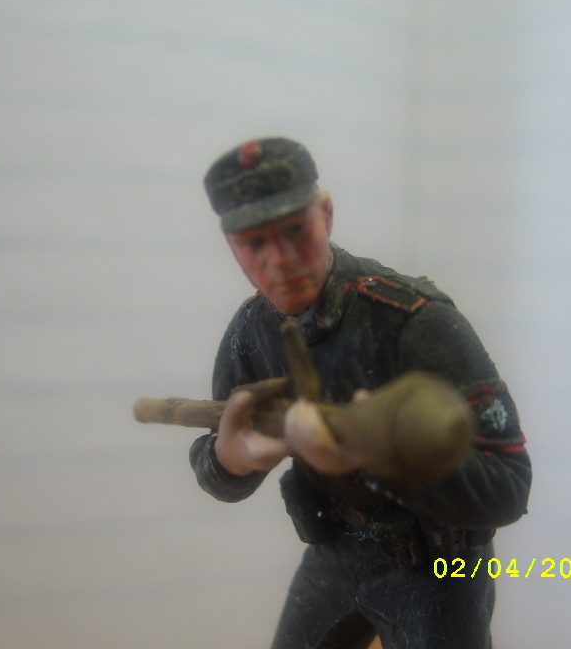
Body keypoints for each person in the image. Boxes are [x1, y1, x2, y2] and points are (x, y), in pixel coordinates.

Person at [190, 137, 531, 649]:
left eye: (295, 230)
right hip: (334, 552)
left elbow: (508, 487)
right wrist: (230, 459)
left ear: (325, 214)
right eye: (254, 243)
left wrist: (376, 456)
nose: (280, 260)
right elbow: (214, 463)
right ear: (232, 248)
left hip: (438, 568)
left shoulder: (415, 321)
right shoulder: (253, 331)